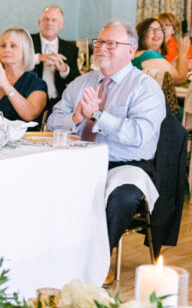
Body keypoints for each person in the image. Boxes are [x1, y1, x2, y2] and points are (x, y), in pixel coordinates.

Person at [46, 21, 166, 257]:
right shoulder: (82, 83)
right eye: (99, 42)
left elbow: (139, 135)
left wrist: (98, 116)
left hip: (125, 164)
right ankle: (53, 253)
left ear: (131, 50)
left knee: (121, 197)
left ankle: (99, 260)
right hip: (78, 159)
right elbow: (52, 121)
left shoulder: (145, 88)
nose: (101, 48)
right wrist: (77, 117)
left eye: (111, 43)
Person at [31, 6, 80, 112]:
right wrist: (39, 57)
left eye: (54, 20)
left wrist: (64, 69)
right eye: (46, 19)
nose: (49, 23)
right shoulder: (27, 41)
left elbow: (76, 79)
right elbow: (17, 63)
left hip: (58, 102)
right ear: (39, 22)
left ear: (61, 25)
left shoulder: (71, 48)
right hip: (30, 98)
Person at [133, 16, 188, 83]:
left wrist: (172, 64)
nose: (156, 33)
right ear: (141, 34)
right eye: (150, 30)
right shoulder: (149, 54)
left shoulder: (139, 53)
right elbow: (180, 79)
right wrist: (183, 53)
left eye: (159, 29)